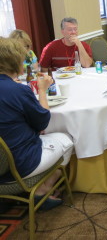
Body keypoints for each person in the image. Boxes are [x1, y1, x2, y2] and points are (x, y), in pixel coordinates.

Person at [0, 37, 73, 210]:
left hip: (2, 163)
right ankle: (43, 189)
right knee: (67, 138)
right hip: (20, 165)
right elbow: (43, 123)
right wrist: (42, 90)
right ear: (15, 61)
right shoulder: (18, 91)